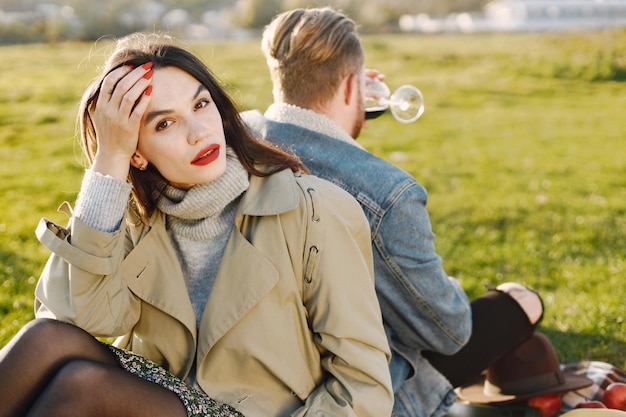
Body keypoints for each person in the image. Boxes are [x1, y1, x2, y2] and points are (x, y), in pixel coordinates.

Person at [0, 33, 394, 417]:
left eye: (201, 105)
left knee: (82, 387)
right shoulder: (132, 219)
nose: (199, 132)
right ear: (135, 154)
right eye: (164, 125)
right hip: (159, 395)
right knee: (45, 339)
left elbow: (363, 384)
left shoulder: (316, 210)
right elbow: (79, 318)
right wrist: (108, 166)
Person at [241, 7, 545, 417]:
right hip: (361, 393)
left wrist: (345, 98)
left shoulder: (235, 149)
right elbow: (448, 332)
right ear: (353, 86)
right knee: (520, 301)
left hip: (253, 377)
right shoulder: (386, 193)